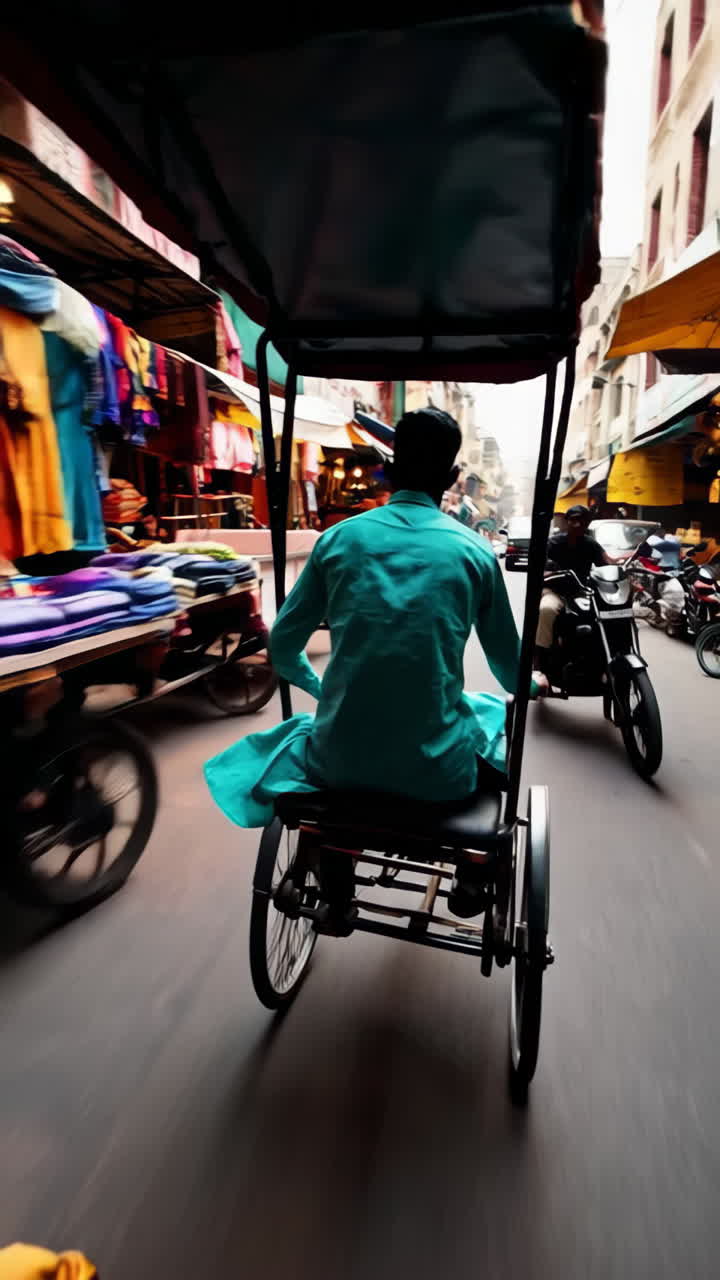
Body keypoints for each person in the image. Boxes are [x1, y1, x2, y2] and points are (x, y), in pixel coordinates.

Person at [205, 408, 540, 917]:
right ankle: (474, 873)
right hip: (437, 775)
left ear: (389, 469)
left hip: (339, 761)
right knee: (493, 719)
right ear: (451, 480)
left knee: (305, 734)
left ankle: (335, 879)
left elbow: (283, 647)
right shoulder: (475, 552)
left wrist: (324, 692)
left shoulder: (339, 540)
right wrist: (533, 683)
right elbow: (505, 667)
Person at [535, 504, 610, 669]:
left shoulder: (591, 544)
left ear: (587, 524)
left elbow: (607, 565)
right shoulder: (553, 543)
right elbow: (540, 567)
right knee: (546, 609)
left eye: (582, 521)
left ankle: (599, 661)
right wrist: (549, 572)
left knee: (600, 616)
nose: (577, 525)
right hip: (555, 591)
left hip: (581, 592)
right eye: (573, 520)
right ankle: (539, 663)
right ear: (567, 522)